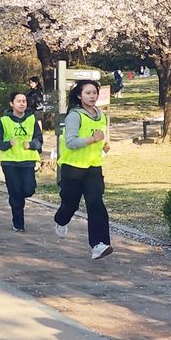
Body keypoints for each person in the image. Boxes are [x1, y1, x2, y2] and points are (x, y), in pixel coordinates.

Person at [54, 80, 113, 260]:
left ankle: (99, 245)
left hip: (93, 168)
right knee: (69, 205)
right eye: (88, 93)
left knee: (96, 204)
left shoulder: (101, 115)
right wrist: (92, 140)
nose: (92, 96)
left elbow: (102, 135)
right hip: (73, 169)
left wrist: (104, 145)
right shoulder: (74, 116)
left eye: (94, 92)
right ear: (79, 96)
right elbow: (70, 143)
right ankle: (61, 221)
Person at [0, 92, 43, 232]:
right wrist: (8, 143)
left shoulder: (32, 119)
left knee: (28, 190)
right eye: (18, 101)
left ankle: (17, 199)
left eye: (24, 101)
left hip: (27, 160)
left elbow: (39, 140)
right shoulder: (4, 120)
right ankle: (18, 222)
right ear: (11, 103)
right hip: (10, 162)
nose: (22, 104)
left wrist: (32, 145)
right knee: (15, 193)